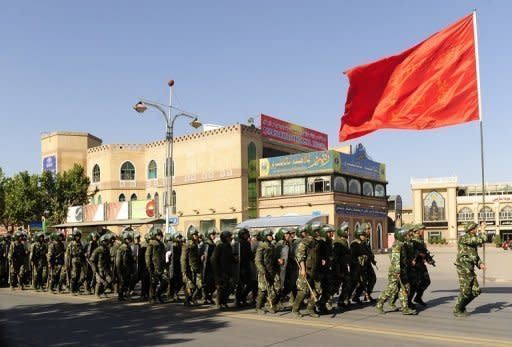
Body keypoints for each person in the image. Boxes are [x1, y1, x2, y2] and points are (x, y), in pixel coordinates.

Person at [376, 227, 417, 315]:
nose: (407, 236)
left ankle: (405, 308)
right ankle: (379, 303)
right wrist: (397, 272)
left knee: (405, 288)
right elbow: (395, 260)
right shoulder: (397, 245)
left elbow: (405, 258)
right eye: (405, 235)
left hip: (403, 270)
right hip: (396, 271)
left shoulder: (402, 244)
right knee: (391, 289)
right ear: (401, 235)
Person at [453, 222, 486, 317]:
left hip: (469, 267)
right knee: (466, 291)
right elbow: (481, 240)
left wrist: (480, 264)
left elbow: (473, 254)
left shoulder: (471, 239)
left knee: (476, 291)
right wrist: (483, 230)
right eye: (476, 228)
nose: (477, 229)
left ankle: (461, 306)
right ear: (471, 229)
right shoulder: (465, 237)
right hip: (463, 267)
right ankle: (457, 309)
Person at [292, 222, 321, 318]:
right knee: (303, 291)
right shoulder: (305, 241)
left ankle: (310, 308)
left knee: (318, 290)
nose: (318, 232)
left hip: (314, 270)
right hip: (306, 270)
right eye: (316, 231)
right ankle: (295, 309)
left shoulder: (316, 241)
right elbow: (300, 255)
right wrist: (303, 269)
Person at [409, 224, 435, 307]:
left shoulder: (421, 240)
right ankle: (408, 302)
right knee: (414, 284)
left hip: (421, 264)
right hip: (414, 265)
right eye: (421, 229)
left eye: (423, 229)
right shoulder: (412, 240)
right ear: (416, 231)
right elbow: (411, 252)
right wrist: (419, 255)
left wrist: (429, 260)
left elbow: (425, 252)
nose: (423, 231)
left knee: (426, 281)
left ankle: (418, 297)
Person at [255, 229, 279, 314]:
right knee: (263, 290)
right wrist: (263, 270)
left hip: (271, 271)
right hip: (264, 271)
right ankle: (258, 307)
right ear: (265, 237)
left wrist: (278, 261)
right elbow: (258, 261)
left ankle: (269, 305)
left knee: (275, 288)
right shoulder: (261, 246)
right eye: (269, 235)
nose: (271, 237)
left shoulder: (271, 246)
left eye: (271, 235)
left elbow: (273, 259)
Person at [211, 230, 235, 309]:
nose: (230, 238)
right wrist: (217, 272)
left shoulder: (229, 246)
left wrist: (235, 259)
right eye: (228, 237)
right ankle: (219, 303)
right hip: (221, 271)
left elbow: (231, 258)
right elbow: (214, 259)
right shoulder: (219, 247)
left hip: (228, 270)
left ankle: (224, 302)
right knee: (221, 288)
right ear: (225, 238)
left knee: (229, 287)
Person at [145, 227, 168, 304]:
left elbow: (163, 256)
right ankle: (152, 298)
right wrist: (149, 267)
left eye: (160, 235)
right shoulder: (151, 244)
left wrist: (164, 266)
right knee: (153, 283)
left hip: (161, 267)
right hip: (154, 267)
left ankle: (158, 295)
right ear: (155, 235)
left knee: (165, 281)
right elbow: (147, 256)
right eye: (158, 235)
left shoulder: (161, 244)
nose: (160, 236)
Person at [181, 226, 202, 306]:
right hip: (189, 268)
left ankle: (193, 298)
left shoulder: (196, 244)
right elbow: (183, 258)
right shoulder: (186, 245)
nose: (197, 236)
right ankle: (187, 300)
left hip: (196, 268)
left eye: (197, 234)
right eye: (195, 234)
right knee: (190, 286)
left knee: (199, 285)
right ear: (191, 235)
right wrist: (183, 270)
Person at [333, 222, 352, 309]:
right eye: (346, 230)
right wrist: (337, 271)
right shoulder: (338, 243)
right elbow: (335, 258)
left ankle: (341, 301)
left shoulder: (345, 242)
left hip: (344, 267)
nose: (348, 232)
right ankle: (324, 303)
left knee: (347, 284)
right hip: (339, 268)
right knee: (334, 287)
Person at [350, 226, 369, 304]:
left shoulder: (363, 243)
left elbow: (365, 253)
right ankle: (345, 299)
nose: (364, 237)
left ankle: (356, 297)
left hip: (362, 267)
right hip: (356, 267)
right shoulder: (354, 244)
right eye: (362, 235)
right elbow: (352, 256)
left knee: (363, 283)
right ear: (358, 235)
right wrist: (358, 260)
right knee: (353, 283)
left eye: (365, 235)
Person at [90, 233, 112, 298]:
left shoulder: (107, 249)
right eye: (105, 241)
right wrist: (94, 269)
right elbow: (92, 259)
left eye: (107, 241)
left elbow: (108, 259)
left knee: (109, 280)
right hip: (99, 268)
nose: (107, 242)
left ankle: (102, 291)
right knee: (99, 281)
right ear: (102, 241)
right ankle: (97, 293)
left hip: (105, 268)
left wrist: (109, 267)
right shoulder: (98, 249)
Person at [116, 228, 135, 301]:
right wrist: (118, 269)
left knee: (126, 282)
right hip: (123, 268)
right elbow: (118, 260)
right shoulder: (122, 248)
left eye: (130, 239)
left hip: (127, 267)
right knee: (123, 282)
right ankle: (122, 295)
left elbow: (130, 258)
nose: (129, 240)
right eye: (128, 239)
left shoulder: (128, 247)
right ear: (125, 239)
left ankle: (122, 295)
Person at [200, 227, 217, 304]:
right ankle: (204, 298)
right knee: (205, 283)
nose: (214, 235)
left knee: (212, 283)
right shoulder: (205, 244)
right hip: (205, 266)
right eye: (212, 234)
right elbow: (200, 254)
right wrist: (201, 256)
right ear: (209, 235)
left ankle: (209, 297)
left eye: (214, 234)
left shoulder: (213, 244)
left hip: (212, 266)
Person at [68, 229, 85, 295]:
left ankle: (77, 289)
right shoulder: (71, 244)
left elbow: (82, 252)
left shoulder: (80, 243)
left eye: (79, 236)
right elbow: (68, 254)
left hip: (79, 261)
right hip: (73, 261)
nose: (78, 237)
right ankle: (72, 290)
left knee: (79, 276)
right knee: (74, 276)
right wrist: (68, 264)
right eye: (76, 236)